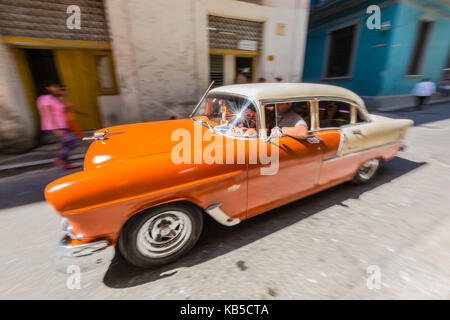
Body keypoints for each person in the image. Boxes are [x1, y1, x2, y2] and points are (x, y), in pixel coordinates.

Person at [36, 82, 80, 170]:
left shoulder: (54, 98)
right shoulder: (45, 98)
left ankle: (67, 164)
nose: (57, 88)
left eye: (57, 87)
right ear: (47, 88)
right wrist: (56, 129)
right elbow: (49, 114)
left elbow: (60, 112)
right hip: (57, 127)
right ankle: (59, 159)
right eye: (54, 87)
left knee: (65, 145)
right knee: (73, 141)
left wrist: (70, 108)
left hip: (62, 125)